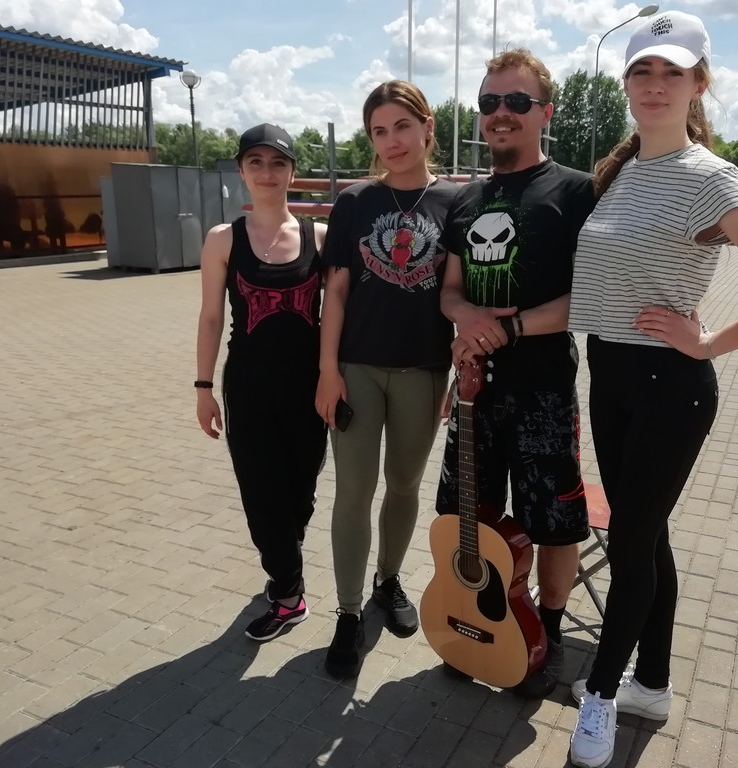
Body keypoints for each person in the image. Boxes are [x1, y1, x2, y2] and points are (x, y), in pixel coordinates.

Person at [565, 13, 738, 768]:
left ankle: (602, 697)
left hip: (667, 388)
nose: (655, 85)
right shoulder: (620, 171)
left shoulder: (709, 177)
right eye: (642, 71)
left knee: (630, 546)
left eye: (672, 73)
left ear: (698, 85)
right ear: (626, 84)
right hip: (610, 377)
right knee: (649, 538)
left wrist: (711, 341)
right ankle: (651, 683)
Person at [435, 48, 596, 698]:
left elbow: (591, 295)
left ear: (545, 112)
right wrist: (467, 317)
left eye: (517, 101)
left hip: (542, 393)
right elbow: (449, 291)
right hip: (474, 393)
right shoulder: (465, 200)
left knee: (553, 523)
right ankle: (472, 616)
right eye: (489, 102)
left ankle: (544, 633)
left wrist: (511, 328)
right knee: (465, 514)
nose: (501, 113)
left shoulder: (576, 191)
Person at [315, 81, 459, 679]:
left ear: (427, 126)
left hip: (423, 371)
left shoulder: (458, 202)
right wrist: (327, 370)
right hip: (358, 370)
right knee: (353, 490)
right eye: (379, 131)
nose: (392, 141)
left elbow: (461, 292)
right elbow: (336, 293)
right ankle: (349, 612)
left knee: (403, 485)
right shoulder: (355, 202)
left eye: (402, 126)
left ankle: (387, 579)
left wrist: (460, 369)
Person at [195, 123, 328, 643]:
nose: (267, 172)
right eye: (256, 162)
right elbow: (210, 316)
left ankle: (283, 563)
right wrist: (203, 388)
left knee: (301, 492)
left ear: (292, 172)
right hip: (249, 386)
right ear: (241, 171)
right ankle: (290, 594)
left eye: (278, 163)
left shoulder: (320, 237)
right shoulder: (223, 239)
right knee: (261, 490)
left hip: (309, 387)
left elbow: (341, 310)